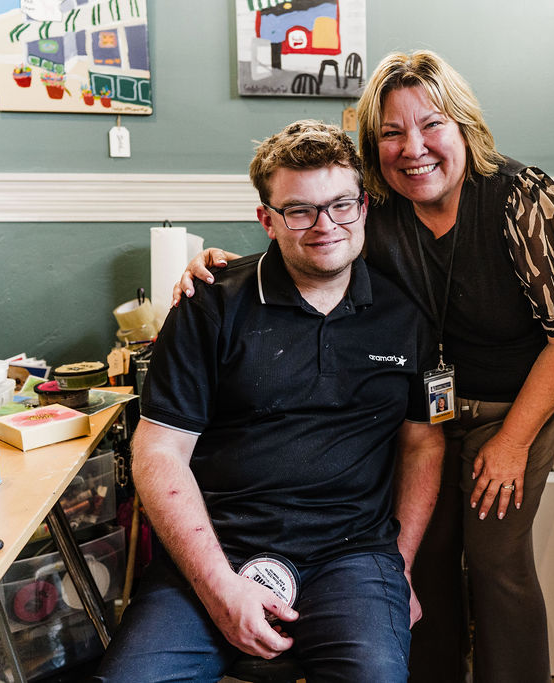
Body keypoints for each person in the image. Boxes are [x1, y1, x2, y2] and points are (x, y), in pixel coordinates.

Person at [175, 50, 554, 683]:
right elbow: (316, 244)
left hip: (513, 409)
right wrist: (223, 271)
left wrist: (512, 443)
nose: (414, 147)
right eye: (392, 133)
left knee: (494, 561)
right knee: (420, 560)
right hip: (419, 413)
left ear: (464, 127)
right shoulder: (379, 203)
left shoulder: (519, 195)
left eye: (431, 125)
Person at [97, 120, 444, 682]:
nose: (325, 225)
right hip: (218, 547)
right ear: (267, 220)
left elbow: (423, 444)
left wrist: (398, 568)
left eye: (341, 205)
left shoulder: (404, 315)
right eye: (299, 210)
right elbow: (157, 452)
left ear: (362, 208)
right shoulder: (210, 304)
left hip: (353, 555)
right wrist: (218, 588)